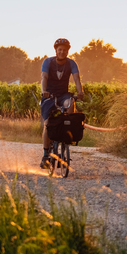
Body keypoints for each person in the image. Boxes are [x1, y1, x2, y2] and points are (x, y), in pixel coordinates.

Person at [39, 38, 84, 169]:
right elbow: (44, 77)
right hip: (50, 95)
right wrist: (44, 91)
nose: (62, 52)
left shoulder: (71, 63)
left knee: (70, 103)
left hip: (63, 95)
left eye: (64, 50)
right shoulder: (48, 62)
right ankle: (46, 153)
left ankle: (65, 139)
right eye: (60, 50)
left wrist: (80, 92)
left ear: (67, 51)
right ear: (56, 50)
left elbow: (76, 78)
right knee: (48, 124)